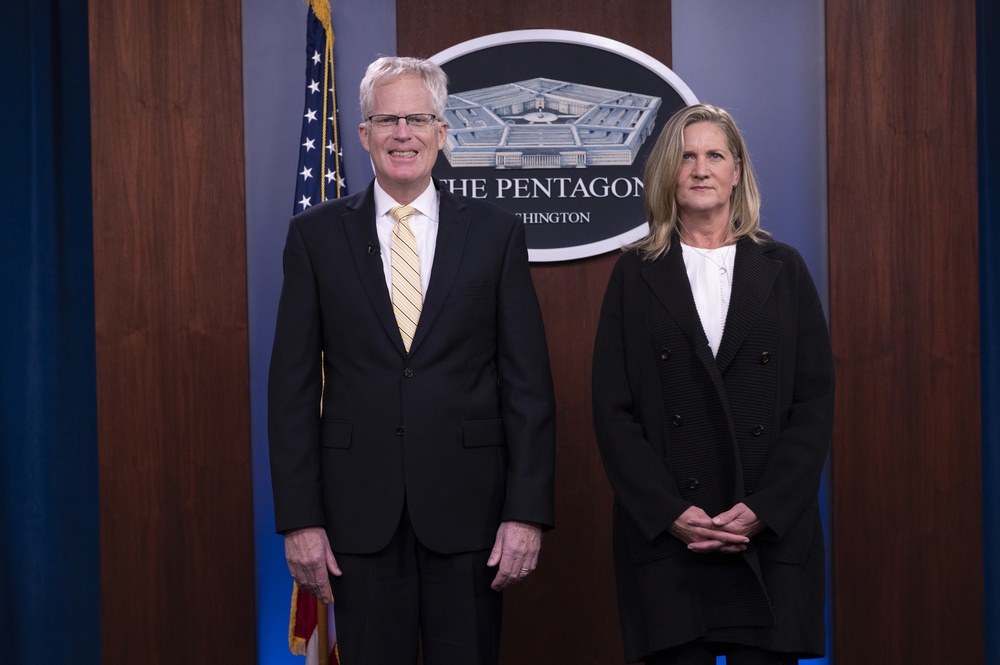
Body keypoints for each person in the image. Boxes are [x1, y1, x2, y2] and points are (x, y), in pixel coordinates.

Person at [268, 56, 556, 665]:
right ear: (365, 133)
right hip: (357, 524)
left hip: (473, 520)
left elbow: (527, 386)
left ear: (443, 132)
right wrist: (300, 521)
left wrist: (526, 514)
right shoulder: (314, 236)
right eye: (388, 119)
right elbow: (291, 389)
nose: (404, 134)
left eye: (419, 118)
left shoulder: (496, 234)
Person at [592, 103, 834, 665]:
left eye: (714, 155)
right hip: (672, 538)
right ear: (667, 174)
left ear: (738, 171)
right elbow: (613, 411)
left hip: (767, 536)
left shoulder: (784, 268)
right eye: (686, 157)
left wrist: (765, 508)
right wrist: (669, 513)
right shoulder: (634, 273)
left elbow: (813, 404)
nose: (700, 169)